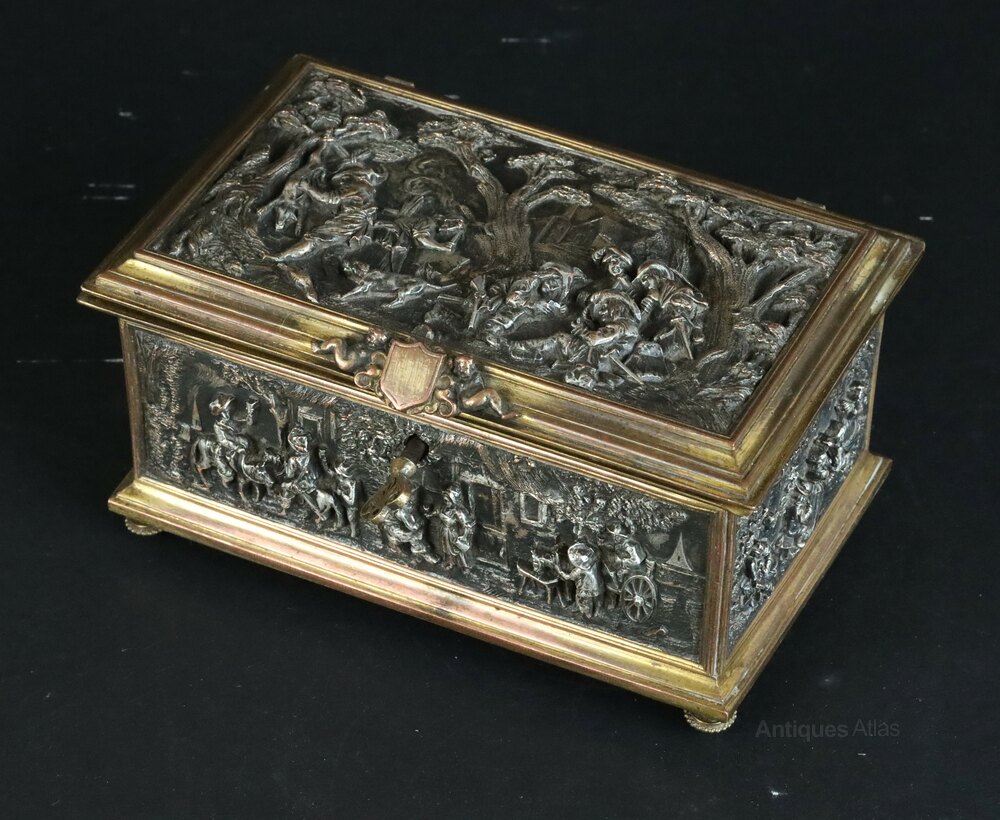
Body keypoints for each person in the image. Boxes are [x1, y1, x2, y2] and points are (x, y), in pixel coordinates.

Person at [437, 484, 476, 570]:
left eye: (448, 500)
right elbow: (438, 512)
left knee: (456, 550)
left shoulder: (457, 511)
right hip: (443, 531)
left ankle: (464, 565)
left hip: (453, 532)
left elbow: (467, 523)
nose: (446, 502)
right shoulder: (443, 508)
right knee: (446, 548)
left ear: (453, 500)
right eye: (445, 500)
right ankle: (449, 561)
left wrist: (465, 533)